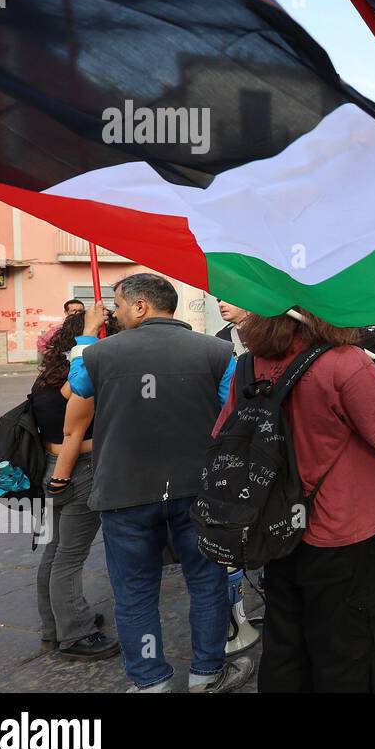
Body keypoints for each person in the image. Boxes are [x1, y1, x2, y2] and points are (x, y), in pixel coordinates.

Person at [66, 273, 248, 693]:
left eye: (119, 303)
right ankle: (206, 673)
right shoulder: (219, 352)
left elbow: (77, 386)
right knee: (207, 581)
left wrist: (89, 334)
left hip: (124, 491)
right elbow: (232, 413)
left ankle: (150, 682)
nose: (114, 311)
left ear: (142, 306)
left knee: (134, 591)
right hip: (198, 488)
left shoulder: (101, 353)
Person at [212, 309, 375, 692]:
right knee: (350, 646)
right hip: (341, 528)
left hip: (273, 525)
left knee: (286, 639)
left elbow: (223, 433)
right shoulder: (345, 362)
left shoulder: (249, 364)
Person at [32, 311, 117, 660]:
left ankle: (55, 628)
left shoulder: (47, 378)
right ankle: (75, 635)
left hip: (53, 466)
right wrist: (62, 480)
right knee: (69, 557)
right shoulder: (82, 382)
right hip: (75, 469)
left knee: (54, 552)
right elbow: (73, 435)